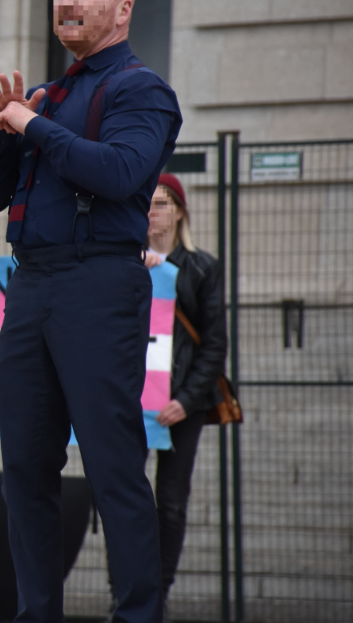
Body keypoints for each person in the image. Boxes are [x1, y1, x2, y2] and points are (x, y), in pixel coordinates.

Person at [0, 0, 182, 623]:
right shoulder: (51, 93)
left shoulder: (140, 88)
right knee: (27, 471)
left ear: (122, 10)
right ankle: (38, 614)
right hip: (32, 285)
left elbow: (121, 173)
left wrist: (31, 125)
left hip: (99, 286)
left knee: (114, 467)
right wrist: (6, 131)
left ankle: (138, 614)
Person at [139, 174, 226, 618]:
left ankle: (159, 593)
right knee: (127, 499)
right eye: (146, 204)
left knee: (170, 503)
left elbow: (214, 345)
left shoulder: (203, 268)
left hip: (180, 408)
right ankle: (127, 591)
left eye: (161, 203)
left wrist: (187, 401)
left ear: (178, 211)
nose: (153, 212)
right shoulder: (124, 262)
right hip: (133, 408)